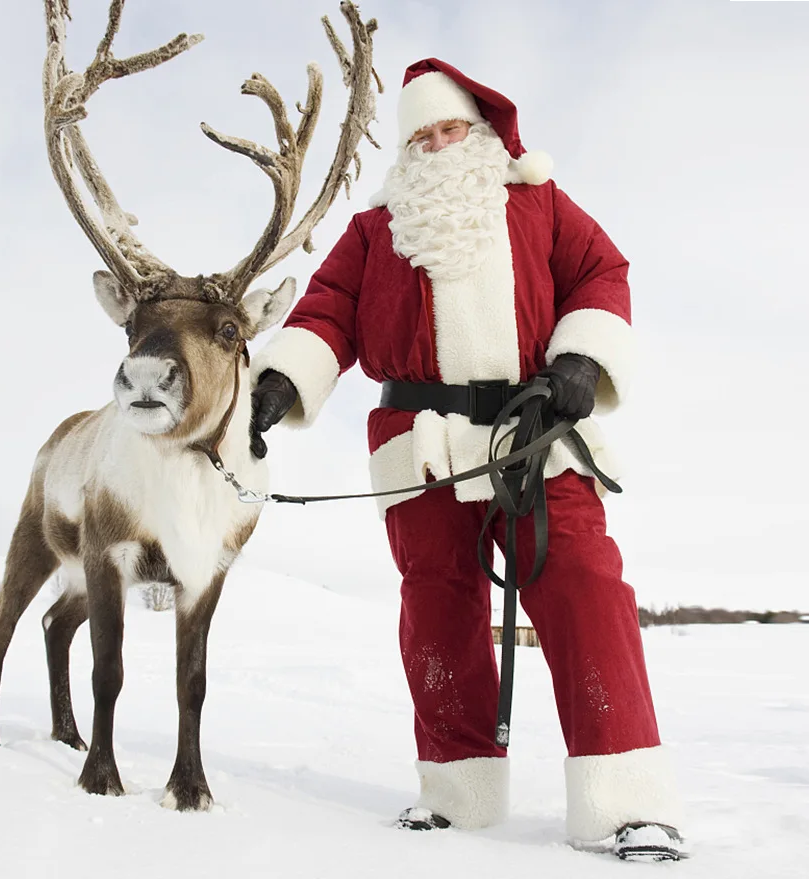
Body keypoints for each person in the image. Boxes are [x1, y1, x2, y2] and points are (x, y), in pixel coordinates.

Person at [249, 58, 684, 861]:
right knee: (437, 608)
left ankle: (627, 800)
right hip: (419, 448)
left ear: (481, 134)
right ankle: (456, 791)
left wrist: (580, 360)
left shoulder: (538, 201)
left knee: (585, 586)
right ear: (406, 152)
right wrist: (280, 380)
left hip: (535, 433)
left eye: (451, 129)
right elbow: (327, 311)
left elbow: (600, 273)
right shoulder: (375, 229)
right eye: (421, 135)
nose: (439, 145)